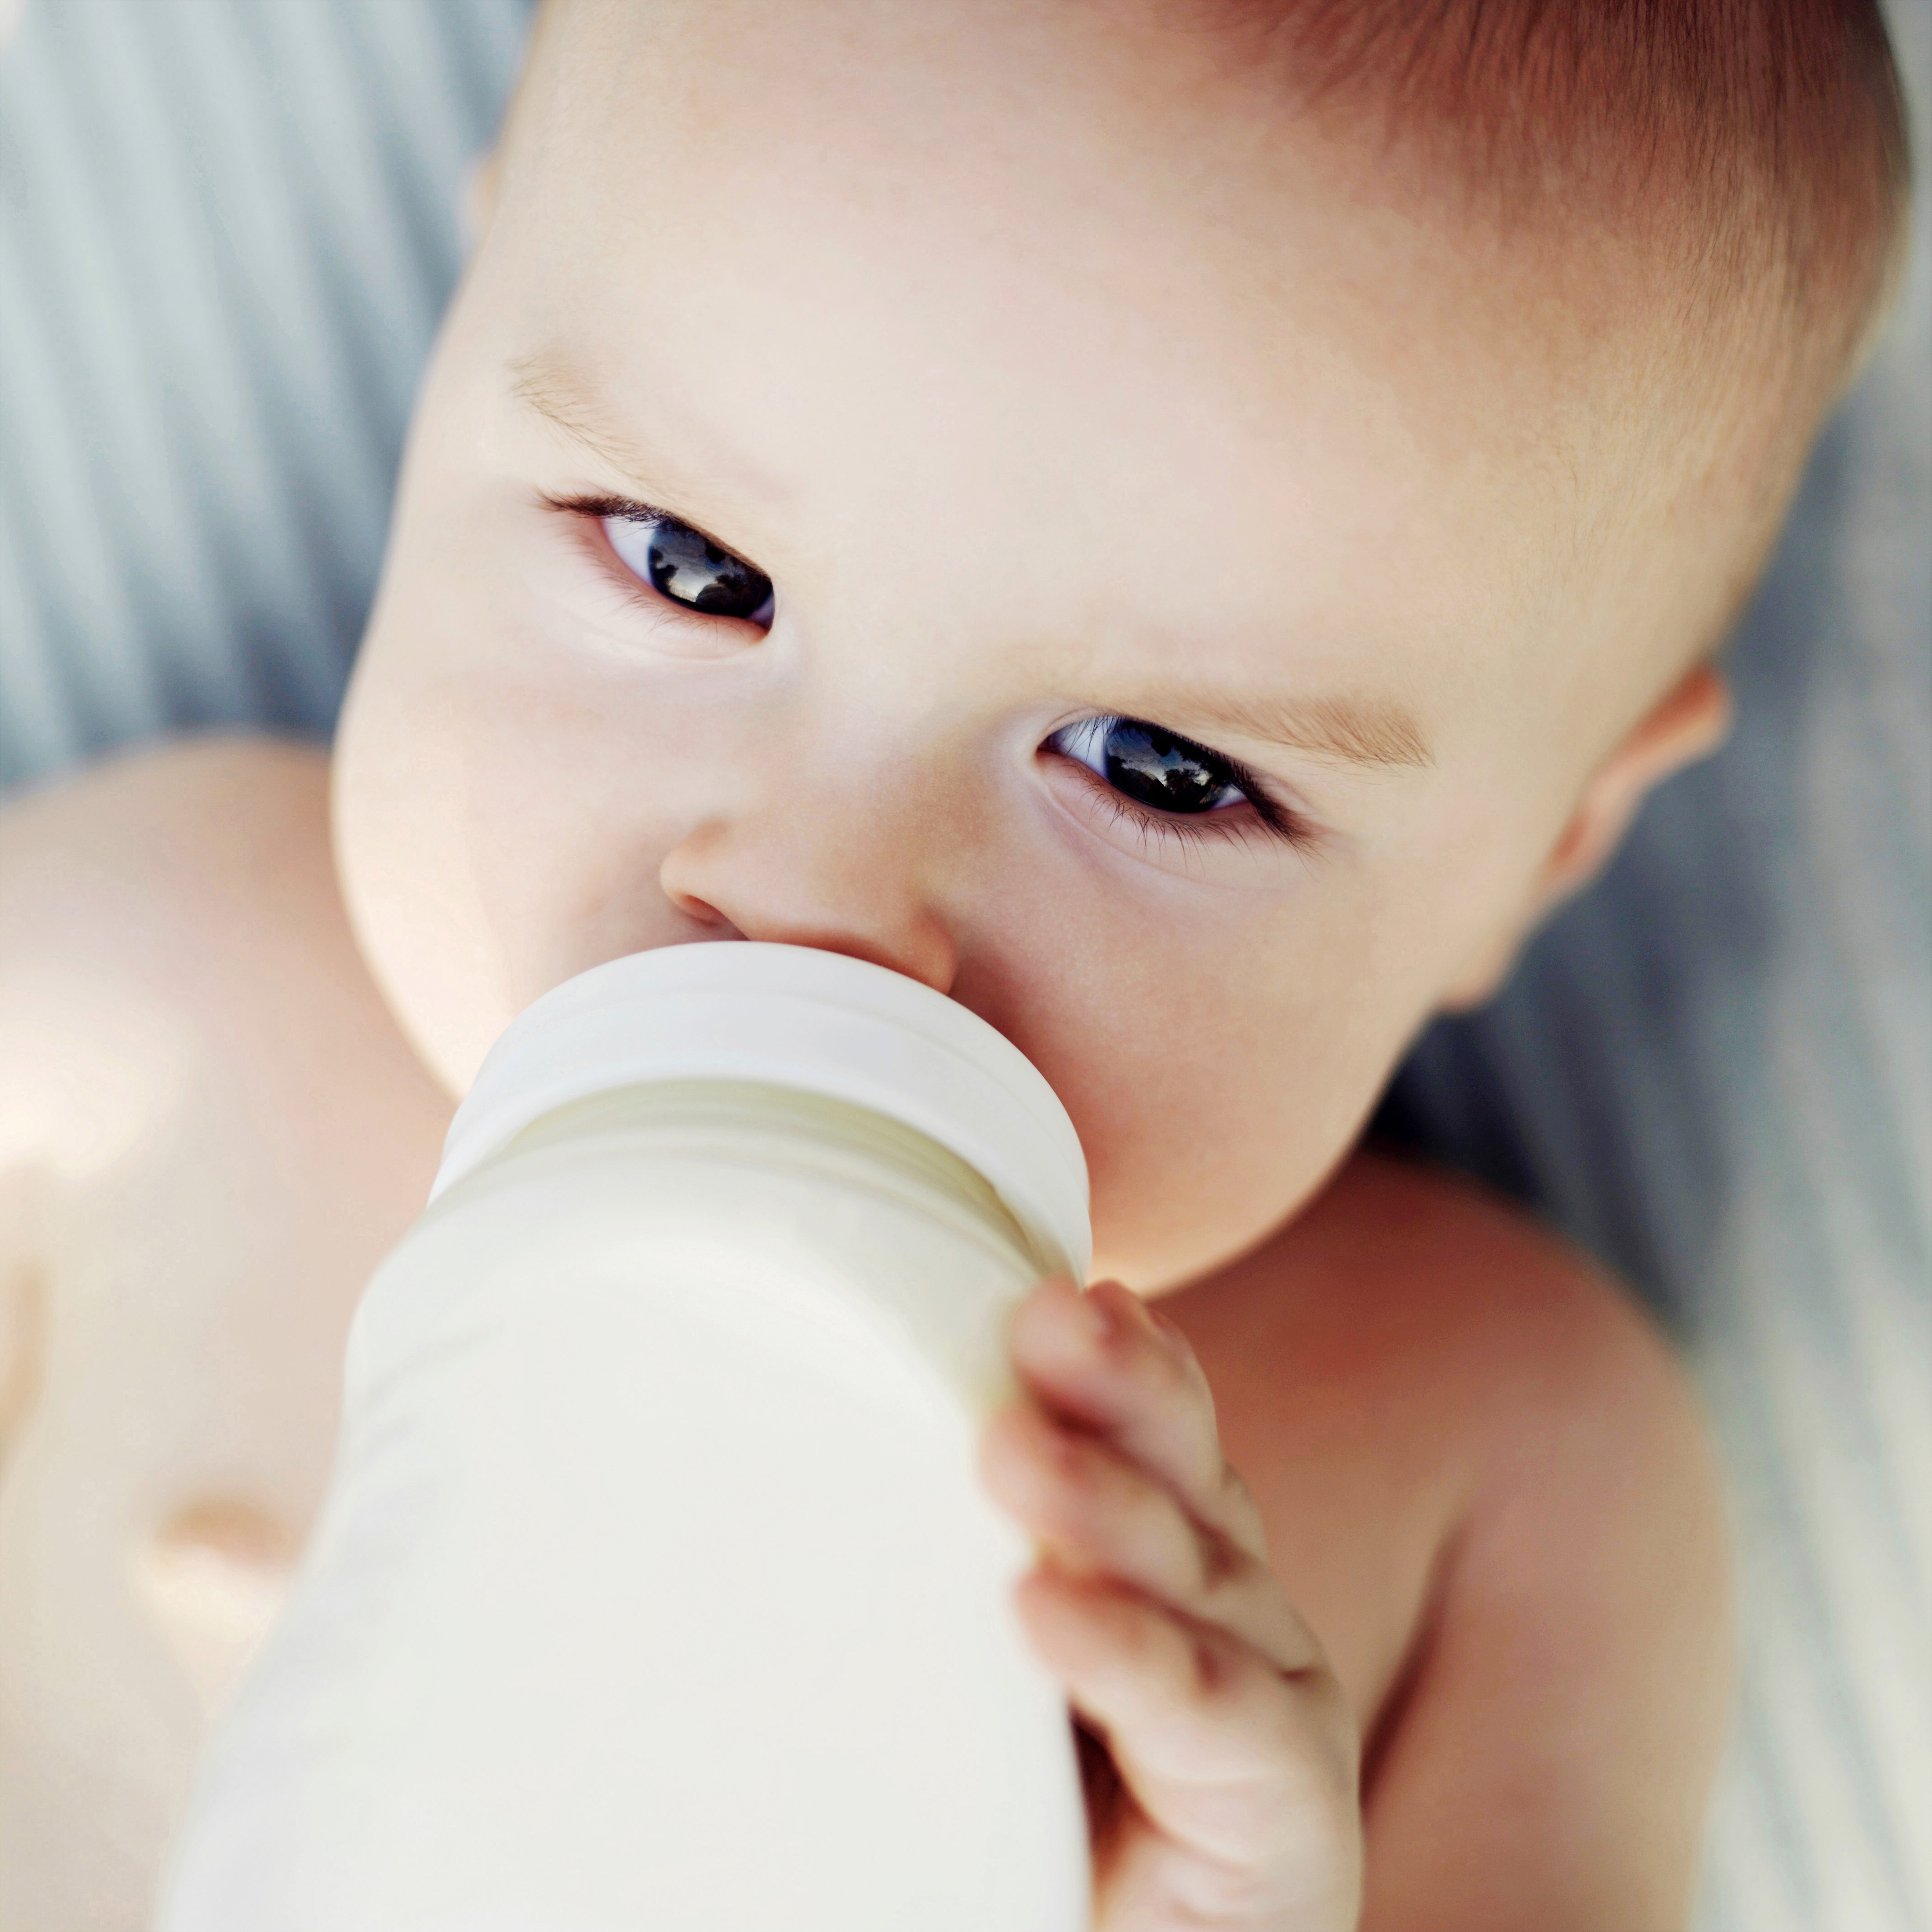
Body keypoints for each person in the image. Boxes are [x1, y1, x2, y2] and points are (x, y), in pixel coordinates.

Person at [0, 1, 1908, 1925]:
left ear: (1544, 848)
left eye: (1165, 774)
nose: (824, 902)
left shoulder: (1508, 1479)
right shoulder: (138, 986)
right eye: (681, 561)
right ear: (456, 347)